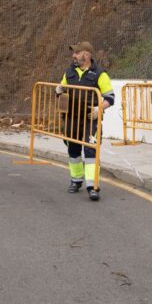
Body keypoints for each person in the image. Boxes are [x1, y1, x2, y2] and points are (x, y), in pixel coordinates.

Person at [59, 41, 114, 201]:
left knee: (90, 151)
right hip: (72, 118)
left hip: (91, 118)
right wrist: (59, 91)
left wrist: (100, 109)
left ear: (87, 55)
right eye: (74, 53)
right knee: (73, 149)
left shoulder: (100, 74)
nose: (73, 56)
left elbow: (110, 97)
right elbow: (62, 89)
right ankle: (76, 180)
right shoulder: (69, 71)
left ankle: (93, 186)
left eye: (77, 53)